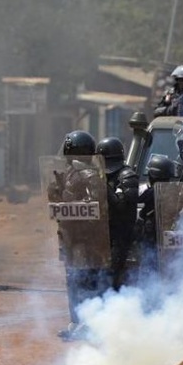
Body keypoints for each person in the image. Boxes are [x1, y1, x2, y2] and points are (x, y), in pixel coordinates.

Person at [48, 130, 107, 341]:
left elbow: (97, 204)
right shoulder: (71, 173)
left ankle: (88, 323)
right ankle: (76, 322)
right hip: (70, 236)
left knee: (85, 279)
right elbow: (56, 200)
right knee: (72, 280)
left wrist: (73, 205)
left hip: (85, 238)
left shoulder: (89, 175)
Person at [96, 137, 139, 291]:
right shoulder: (99, 176)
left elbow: (121, 206)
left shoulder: (127, 176)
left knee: (112, 273)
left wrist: (104, 186)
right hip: (100, 233)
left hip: (120, 234)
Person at [136, 154, 174, 273]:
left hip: (152, 234)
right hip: (167, 233)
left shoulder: (152, 191)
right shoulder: (173, 190)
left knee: (148, 266)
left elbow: (138, 199)